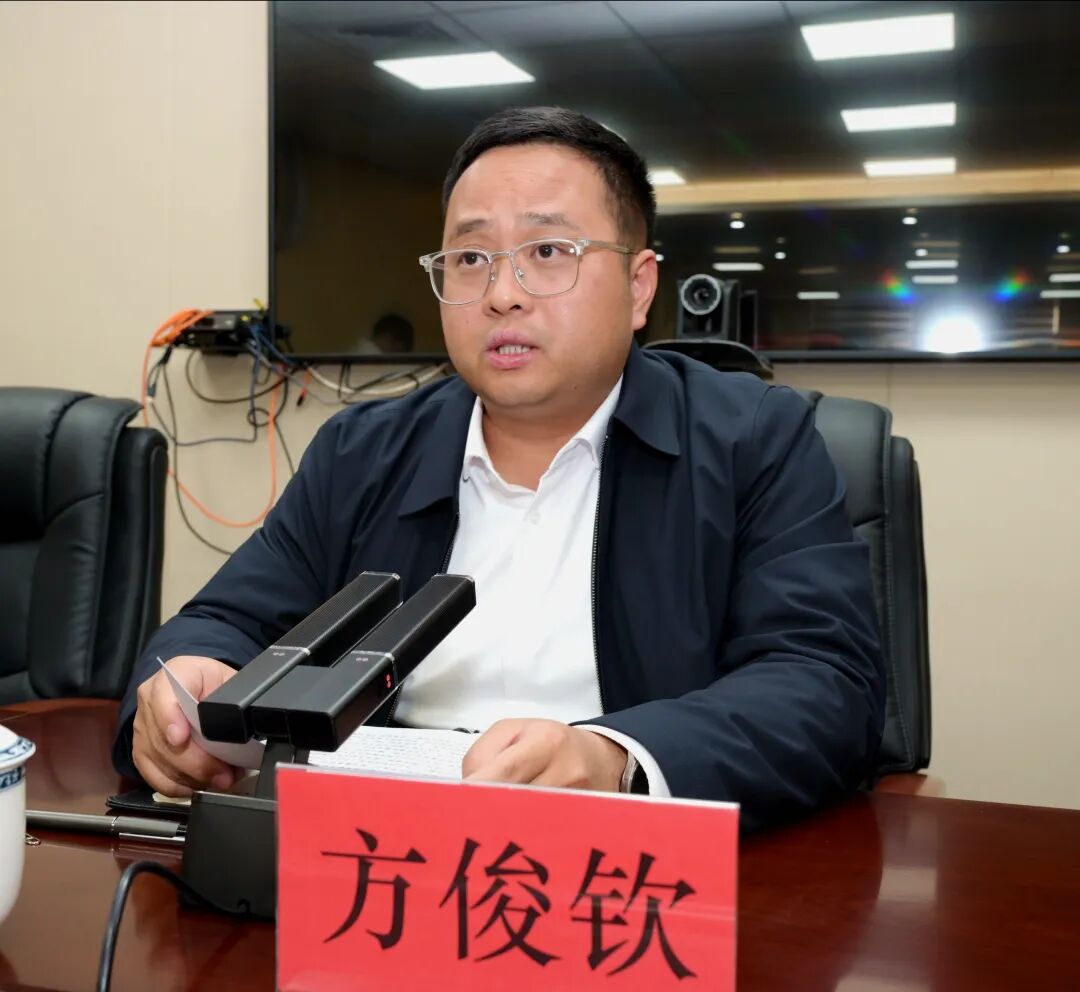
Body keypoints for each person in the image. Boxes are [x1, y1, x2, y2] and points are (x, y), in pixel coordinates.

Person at [115, 107, 884, 829]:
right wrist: (184, 683)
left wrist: (616, 758)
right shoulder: (362, 452)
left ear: (639, 286)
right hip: (381, 852)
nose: (502, 294)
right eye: (471, 258)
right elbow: (223, 621)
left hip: (629, 865)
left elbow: (823, 681)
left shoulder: (755, 439)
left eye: (548, 252)